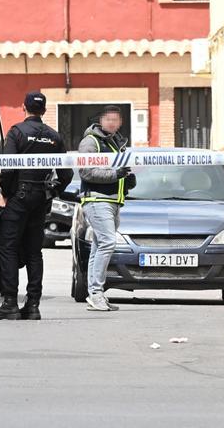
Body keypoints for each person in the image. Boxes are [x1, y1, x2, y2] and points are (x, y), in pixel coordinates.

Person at [0, 92, 73, 321]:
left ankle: (10, 303)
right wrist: (53, 192)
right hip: (40, 199)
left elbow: (8, 167)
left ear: (24, 107)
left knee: (8, 247)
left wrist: (6, 193)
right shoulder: (55, 137)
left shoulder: (17, 132)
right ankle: (33, 305)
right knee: (35, 252)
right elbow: (66, 172)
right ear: (43, 111)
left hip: (19, 197)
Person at [78, 105, 136, 312]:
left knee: (98, 247)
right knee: (108, 243)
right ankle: (96, 293)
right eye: (108, 119)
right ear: (100, 121)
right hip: (97, 200)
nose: (112, 123)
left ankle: (95, 294)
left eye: (116, 119)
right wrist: (116, 175)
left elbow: (116, 171)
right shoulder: (91, 141)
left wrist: (127, 181)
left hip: (113, 201)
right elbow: (86, 172)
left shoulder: (116, 143)